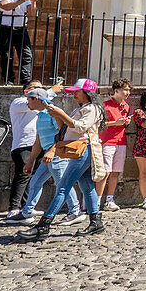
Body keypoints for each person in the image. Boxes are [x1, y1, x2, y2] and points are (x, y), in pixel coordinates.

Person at [19, 79, 106, 240]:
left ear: (88, 92)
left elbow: (79, 127)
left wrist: (60, 114)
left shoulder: (92, 109)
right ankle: (96, 222)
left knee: (63, 187)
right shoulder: (85, 108)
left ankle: (44, 226)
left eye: (76, 92)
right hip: (81, 149)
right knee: (86, 186)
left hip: (83, 149)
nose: (74, 95)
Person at [9, 87, 82, 225]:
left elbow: (63, 134)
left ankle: (75, 211)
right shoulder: (40, 115)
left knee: (63, 184)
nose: (27, 103)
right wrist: (30, 161)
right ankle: (27, 212)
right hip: (48, 155)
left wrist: (52, 151)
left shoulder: (53, 113)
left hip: (57, 155)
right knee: (35, 182)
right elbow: (38, 140)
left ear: (36, 99)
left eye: (28, 100)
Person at [4, 79, 62, 220]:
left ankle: (26, 208)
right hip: (23, 145)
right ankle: (14, 208)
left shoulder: (41, 110)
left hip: (38, 144)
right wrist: (52, 91)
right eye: (37, 88)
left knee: (35, 178)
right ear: (26, 91)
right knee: (23, 176)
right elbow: (39, 99)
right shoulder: (18, 102)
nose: (40, 91)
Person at [0, 0, 38, 84]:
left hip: (20, 28)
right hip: (4, 28)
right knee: (7, 55)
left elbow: (32, 12)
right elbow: (5, 7)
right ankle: (9, 80)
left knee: (26, 55)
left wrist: (33, 1)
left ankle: (25, 80)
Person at [98, 79, 131, 211]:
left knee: (115, 172)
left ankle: (109, 200)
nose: (127, 92)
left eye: (129, 90)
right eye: (125, 90)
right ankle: (96, 201)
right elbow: (99, 124)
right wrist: (114, 123)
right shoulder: (105, 105)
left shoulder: (126, 106)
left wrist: (125, 123)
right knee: (105, 172)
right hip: (107, 142)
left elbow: (121, 123)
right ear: (116, 90)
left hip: (121, 141)